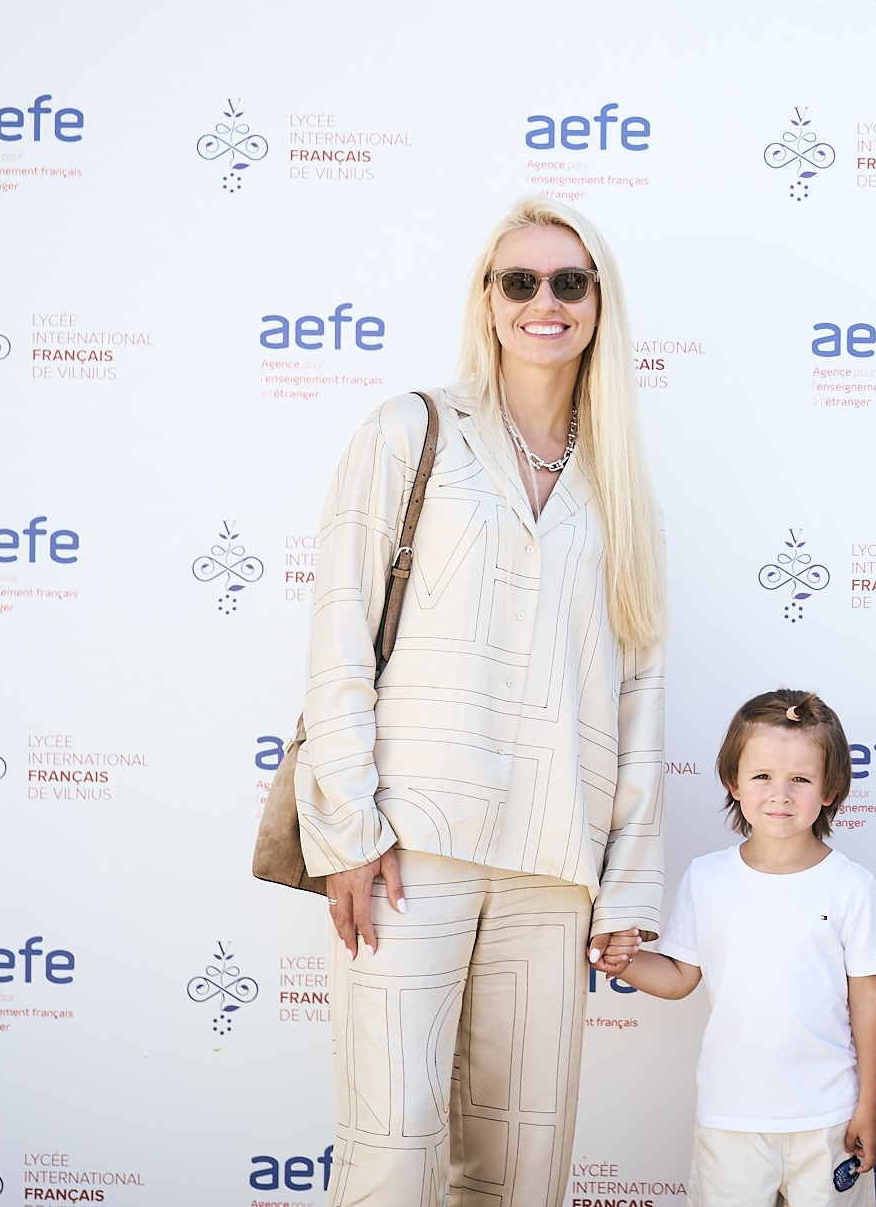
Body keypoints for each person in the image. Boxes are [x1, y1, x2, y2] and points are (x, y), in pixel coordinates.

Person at [295, 196, 668, 1206]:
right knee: (392, 1145)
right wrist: (343, 829)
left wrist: (626, 890)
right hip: (408, 847)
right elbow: (338, 631)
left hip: (553, 864)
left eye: (569, 282)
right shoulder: (409, 432)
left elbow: (638, 696)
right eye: (521, 281)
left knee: (520, 1172)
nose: (544, 301)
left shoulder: (619, 482)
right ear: (488, 301)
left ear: (599, 303)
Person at [600, 691, 876, 1207]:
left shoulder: (851, 886)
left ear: (830, 789)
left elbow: (870, 999)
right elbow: (678, 977)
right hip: (731, 1117)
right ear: (733, 782)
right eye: (762, 776)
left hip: (827, 1117)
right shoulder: (707, 878)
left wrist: (871, 1104)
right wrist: (623, 960)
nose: (780, 794)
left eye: (801, 779)